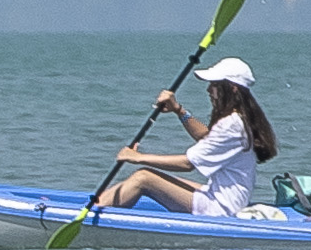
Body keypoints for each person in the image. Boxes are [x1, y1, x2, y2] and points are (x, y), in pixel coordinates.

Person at [96, 56, 278, 218]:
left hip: (221, 208)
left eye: (214, 85)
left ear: (232, 89)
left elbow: (187, 164)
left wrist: (137, 157)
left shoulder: (231, 124)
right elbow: (206, 138)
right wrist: (179, 111)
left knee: (142, 177)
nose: (209, 90)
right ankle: (100, 204)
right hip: (225, 198)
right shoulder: (239, 119)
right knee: (147, 177)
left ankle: (92, 215)